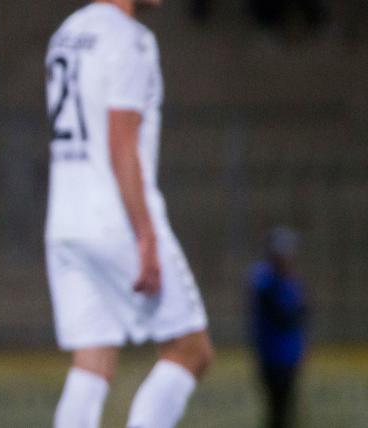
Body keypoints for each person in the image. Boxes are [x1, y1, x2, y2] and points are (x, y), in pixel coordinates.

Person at [43, 1, 215, 427]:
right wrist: (146, 234)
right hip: (115, 220)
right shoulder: (130, 38)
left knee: (92, 361)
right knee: (190, 350)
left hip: (65, 221)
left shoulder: (65, 33)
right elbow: (122, 143)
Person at [250, 227, 305, 428]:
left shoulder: (289, 280)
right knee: (276, 410)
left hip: (289, 354)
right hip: (272, 356)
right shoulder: (266, 279)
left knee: (286, 408)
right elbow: (287, 312)